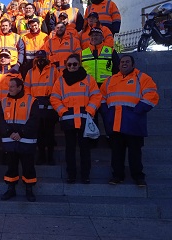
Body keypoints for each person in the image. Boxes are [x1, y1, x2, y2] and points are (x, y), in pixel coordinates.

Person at [100, 55, 159, 187]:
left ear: (133, 64)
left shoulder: (142, 78)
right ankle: (117, 176)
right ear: (118, 65)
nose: (124, 64)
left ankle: (138, 176)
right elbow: (101, 96)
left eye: (127, 62)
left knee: (135, 153)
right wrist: (106, 111)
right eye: (122, 62)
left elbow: (152, 94)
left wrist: (138, 110)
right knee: (116, 153)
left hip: (134, 122)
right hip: (115, 122)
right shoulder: (110, 80)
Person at [50, 54, 102, 184]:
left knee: (85, 150)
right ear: (66, 66)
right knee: (70, 150)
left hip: (84, 119)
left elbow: (96, 96)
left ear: (79, 64)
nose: (72, 66)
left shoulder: (89, 79)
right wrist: (63, 111)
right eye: (69, 64)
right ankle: (71, 175)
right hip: (68, 121)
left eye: (74, 64)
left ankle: (85, 176)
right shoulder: (60, 81)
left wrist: (89, 110)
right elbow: (54, 98)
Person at [0, 78, 40, 202]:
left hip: (26, 141)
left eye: (12, 86)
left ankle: (29, 190)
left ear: (20, 87)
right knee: (11, 167)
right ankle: (11, 189)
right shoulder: (3, 101)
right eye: (9, 86)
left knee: (28, 167)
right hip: (10, 141)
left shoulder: (32, 101)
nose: (9, 89)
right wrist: (9, 132)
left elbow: (34, 120)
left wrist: (21, 133)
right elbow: (0, 119)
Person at [24, 50, 60, 165]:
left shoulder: (54, 70)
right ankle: (41, 156)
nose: (40, 60)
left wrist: (52, 97)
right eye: (38, 57)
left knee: (49, 133)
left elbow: (58, 86)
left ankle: (50, 156)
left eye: (42, 58)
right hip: (36, 105)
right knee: (38, 133)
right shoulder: (30, 72)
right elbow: (26, 89)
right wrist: (31, 102)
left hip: (49, 105)